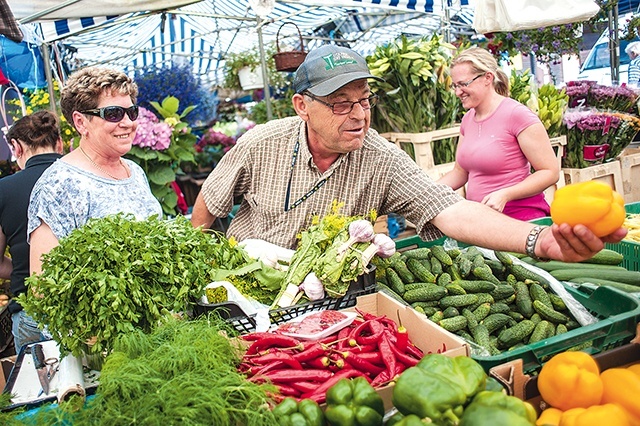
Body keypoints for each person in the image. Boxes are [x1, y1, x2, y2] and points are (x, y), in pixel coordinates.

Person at [190, 44, 626, 263]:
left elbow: (450, 210)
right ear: (302, 106)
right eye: (341, 103)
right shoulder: (259, 142)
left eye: (364, 100)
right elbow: (208, 204)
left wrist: (538, 239)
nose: (359, 115)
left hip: (329, 289)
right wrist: (206, 264)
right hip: (251, 281)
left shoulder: (379, 156)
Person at [28, 67, 163, 275]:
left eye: (131, 112)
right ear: (81, 122)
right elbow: (44, 284)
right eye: (113, 114)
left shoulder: (134, 171)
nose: (127, 123)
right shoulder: (59, 184)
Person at [437, 47, 559, 221]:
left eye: (463, 84)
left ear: (487, 78)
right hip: (483, 222)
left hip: (520, 220)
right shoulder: (468, 120)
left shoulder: (517, 115)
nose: (458, 92)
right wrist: (426, 192)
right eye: (455, 86)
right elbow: (460, 172)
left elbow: (550, 172)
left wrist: (506, 194)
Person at [0, 111, 63, 352]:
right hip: (87, 306)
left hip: (32, 313)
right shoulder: (83, 179)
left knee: (40, 388)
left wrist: (26, 270)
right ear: (59, 144)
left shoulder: (4, 189)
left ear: (16, 147)